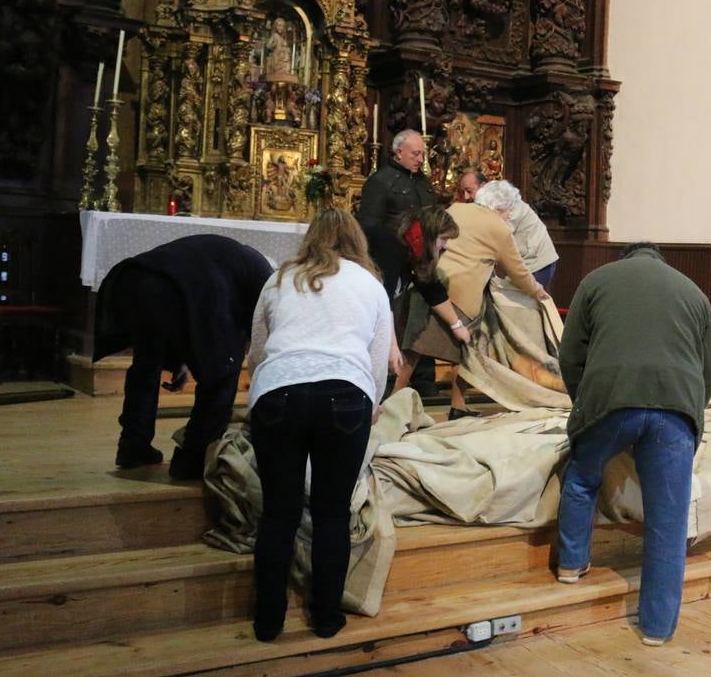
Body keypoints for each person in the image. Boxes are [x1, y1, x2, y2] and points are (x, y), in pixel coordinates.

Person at [555, 242, 711, 646]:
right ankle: (657, 628)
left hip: (609, 398)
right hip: (676, 408)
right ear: (662, 260)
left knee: (582, 475)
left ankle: (571, 566)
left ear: (624, 258)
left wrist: (587, 408)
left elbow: (569, 355)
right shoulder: (694, 292)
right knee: (668, 518)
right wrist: (688, 412)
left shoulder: (595, 280)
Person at [246, 208, 393, 642]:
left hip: (279, 394)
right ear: (356, 241)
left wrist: (267, 386)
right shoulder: (371, 285)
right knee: (332, 513)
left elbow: (256, 352)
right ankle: (326, 617)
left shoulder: (278, 279)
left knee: (279, 513)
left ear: (311, 238)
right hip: (346, 396)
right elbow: (377, 359)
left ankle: (268, 621)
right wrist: (372, 401)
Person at [94, 235, 272, 480]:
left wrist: (182, 360)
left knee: (147, 364)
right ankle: (193, 459)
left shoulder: (241, 263)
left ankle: (133, 446)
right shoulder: (267, 282)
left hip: (133, 280)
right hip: (179, 291)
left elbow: (195, 315)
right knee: (222, 375)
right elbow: (253, 339)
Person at [439, 181, 550, 417]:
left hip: (432, 284)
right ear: (499, 206)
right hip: (463, 295)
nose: (510, 215)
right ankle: (456, 406)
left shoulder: (456, 209)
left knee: (413, 353)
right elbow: (518, 272)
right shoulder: (500, 229)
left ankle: (396, 403)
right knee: (466, 351)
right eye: (509, 210)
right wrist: (538, 291)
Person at [389, 206, 473, 396]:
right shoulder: (394, 249)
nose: (446, 246)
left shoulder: (414, 252)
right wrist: (392, 346)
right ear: (428, 234)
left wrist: (457, 325)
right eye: (443, 239)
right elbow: (381, 302)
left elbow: (431, 289)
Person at [356, 129, 438, 298]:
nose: (421, 160)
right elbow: (369, 226)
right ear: (399, 152)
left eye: (422, 154)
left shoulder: (423, 181)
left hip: (424, 258)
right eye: (416, 154)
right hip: (390, 261)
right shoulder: (380, 181)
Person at [474, 179, 560, 290]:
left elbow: (495, 241)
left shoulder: (512, 212)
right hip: (524, 265)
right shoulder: (503, 207)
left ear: (497, 207)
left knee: (524, 303)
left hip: (537, 265)